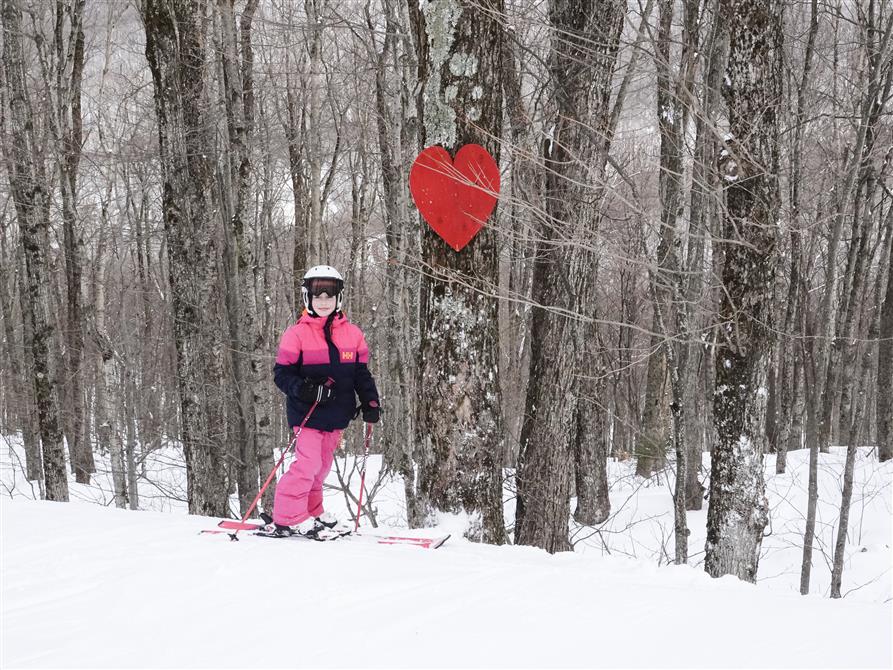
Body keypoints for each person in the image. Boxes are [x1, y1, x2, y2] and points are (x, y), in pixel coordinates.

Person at [269, 264, 380, 538]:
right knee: (306, 465)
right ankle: (287, 516)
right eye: (317, 297)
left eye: (329, 297)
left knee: (321, 467)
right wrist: (304, 389)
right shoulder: (296, 334)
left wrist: (370, 402)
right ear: (308, 298)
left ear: (338, 298)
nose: (323, 302)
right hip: (306, 414)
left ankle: (312, 509)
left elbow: (360, 374)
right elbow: (281, 374)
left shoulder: (352, 334)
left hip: (336, 415)